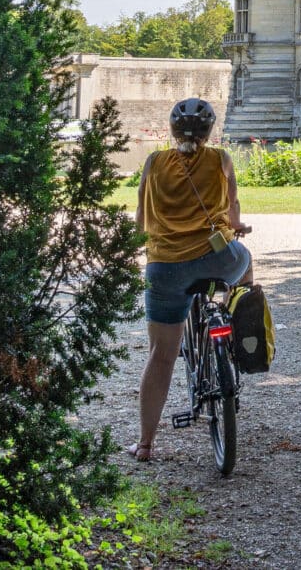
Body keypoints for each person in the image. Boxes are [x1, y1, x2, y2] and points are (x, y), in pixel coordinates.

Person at [131, 97, 252, 462]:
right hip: (216, 259)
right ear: (209, 131)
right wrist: (238, 226)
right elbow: (231, 212)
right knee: (245, 263)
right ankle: (241, 329)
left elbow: (140, 216)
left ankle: (146, 444)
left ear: (171, 130)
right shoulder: (221, 160)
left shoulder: (154, 163)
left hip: (165, 266)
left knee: (161, 355)